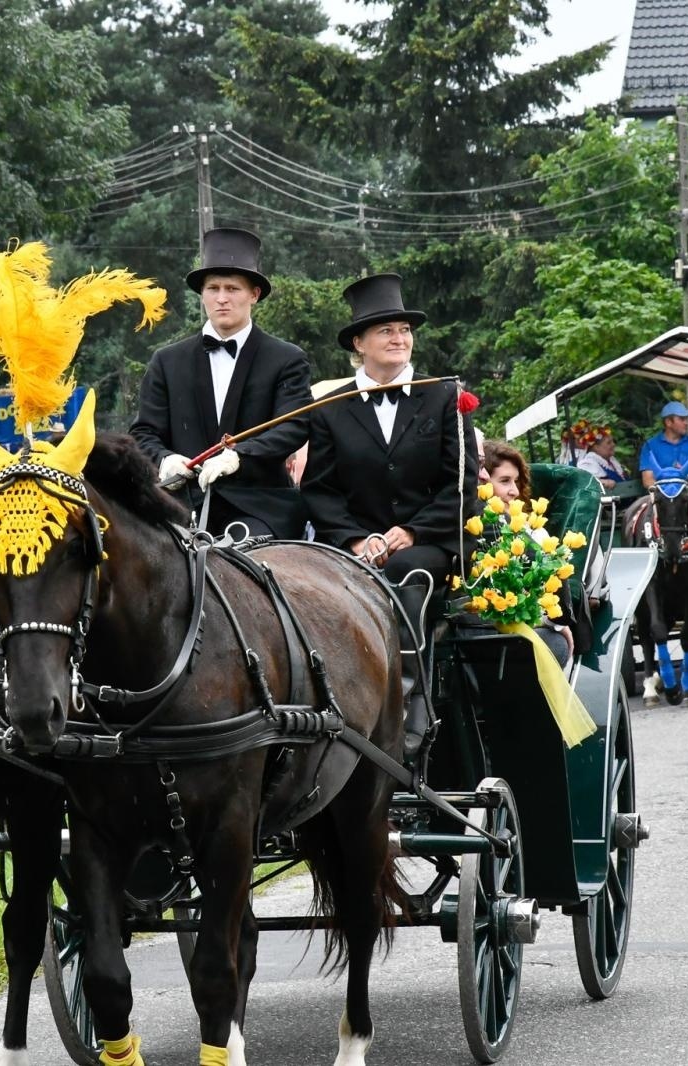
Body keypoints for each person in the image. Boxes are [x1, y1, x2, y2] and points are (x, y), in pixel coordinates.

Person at [300, 273, 476, 760]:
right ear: (359, 343)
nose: (399, 339)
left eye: (404, 330)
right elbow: (319, 490)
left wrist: (411, 530)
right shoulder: (329, 408)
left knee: (406, 570)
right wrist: (357, 540)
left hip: (430, 540)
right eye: (386, 331)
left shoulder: (444, 395)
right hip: (356, 544)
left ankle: (406, 712)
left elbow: (461, 484)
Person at [130, 227, 312, 538]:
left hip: (259, 508)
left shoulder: (286, 359)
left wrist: (241, 455)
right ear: (202, 295)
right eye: (213, 288)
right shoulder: (166, 361)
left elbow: (294, 425)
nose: (222, 299)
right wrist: (165, 459)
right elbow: (144, 432)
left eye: (233, 289)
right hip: (181, 506)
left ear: (254, 294)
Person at [480, 439, 576, 665]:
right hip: (483, 628)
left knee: (556, 644)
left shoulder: (534, 531)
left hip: (530, 623)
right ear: (483, 481)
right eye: (504, 481)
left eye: (516, 481)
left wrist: (555, 624)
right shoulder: (473, 527)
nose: (513, 491)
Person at [639, 400, 688, 488]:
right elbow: (647, 478)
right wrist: (662, 493)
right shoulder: (650, 446)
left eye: (686, 419)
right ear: (668, 422)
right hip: (661, 498)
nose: (686, 423)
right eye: (682, 419)